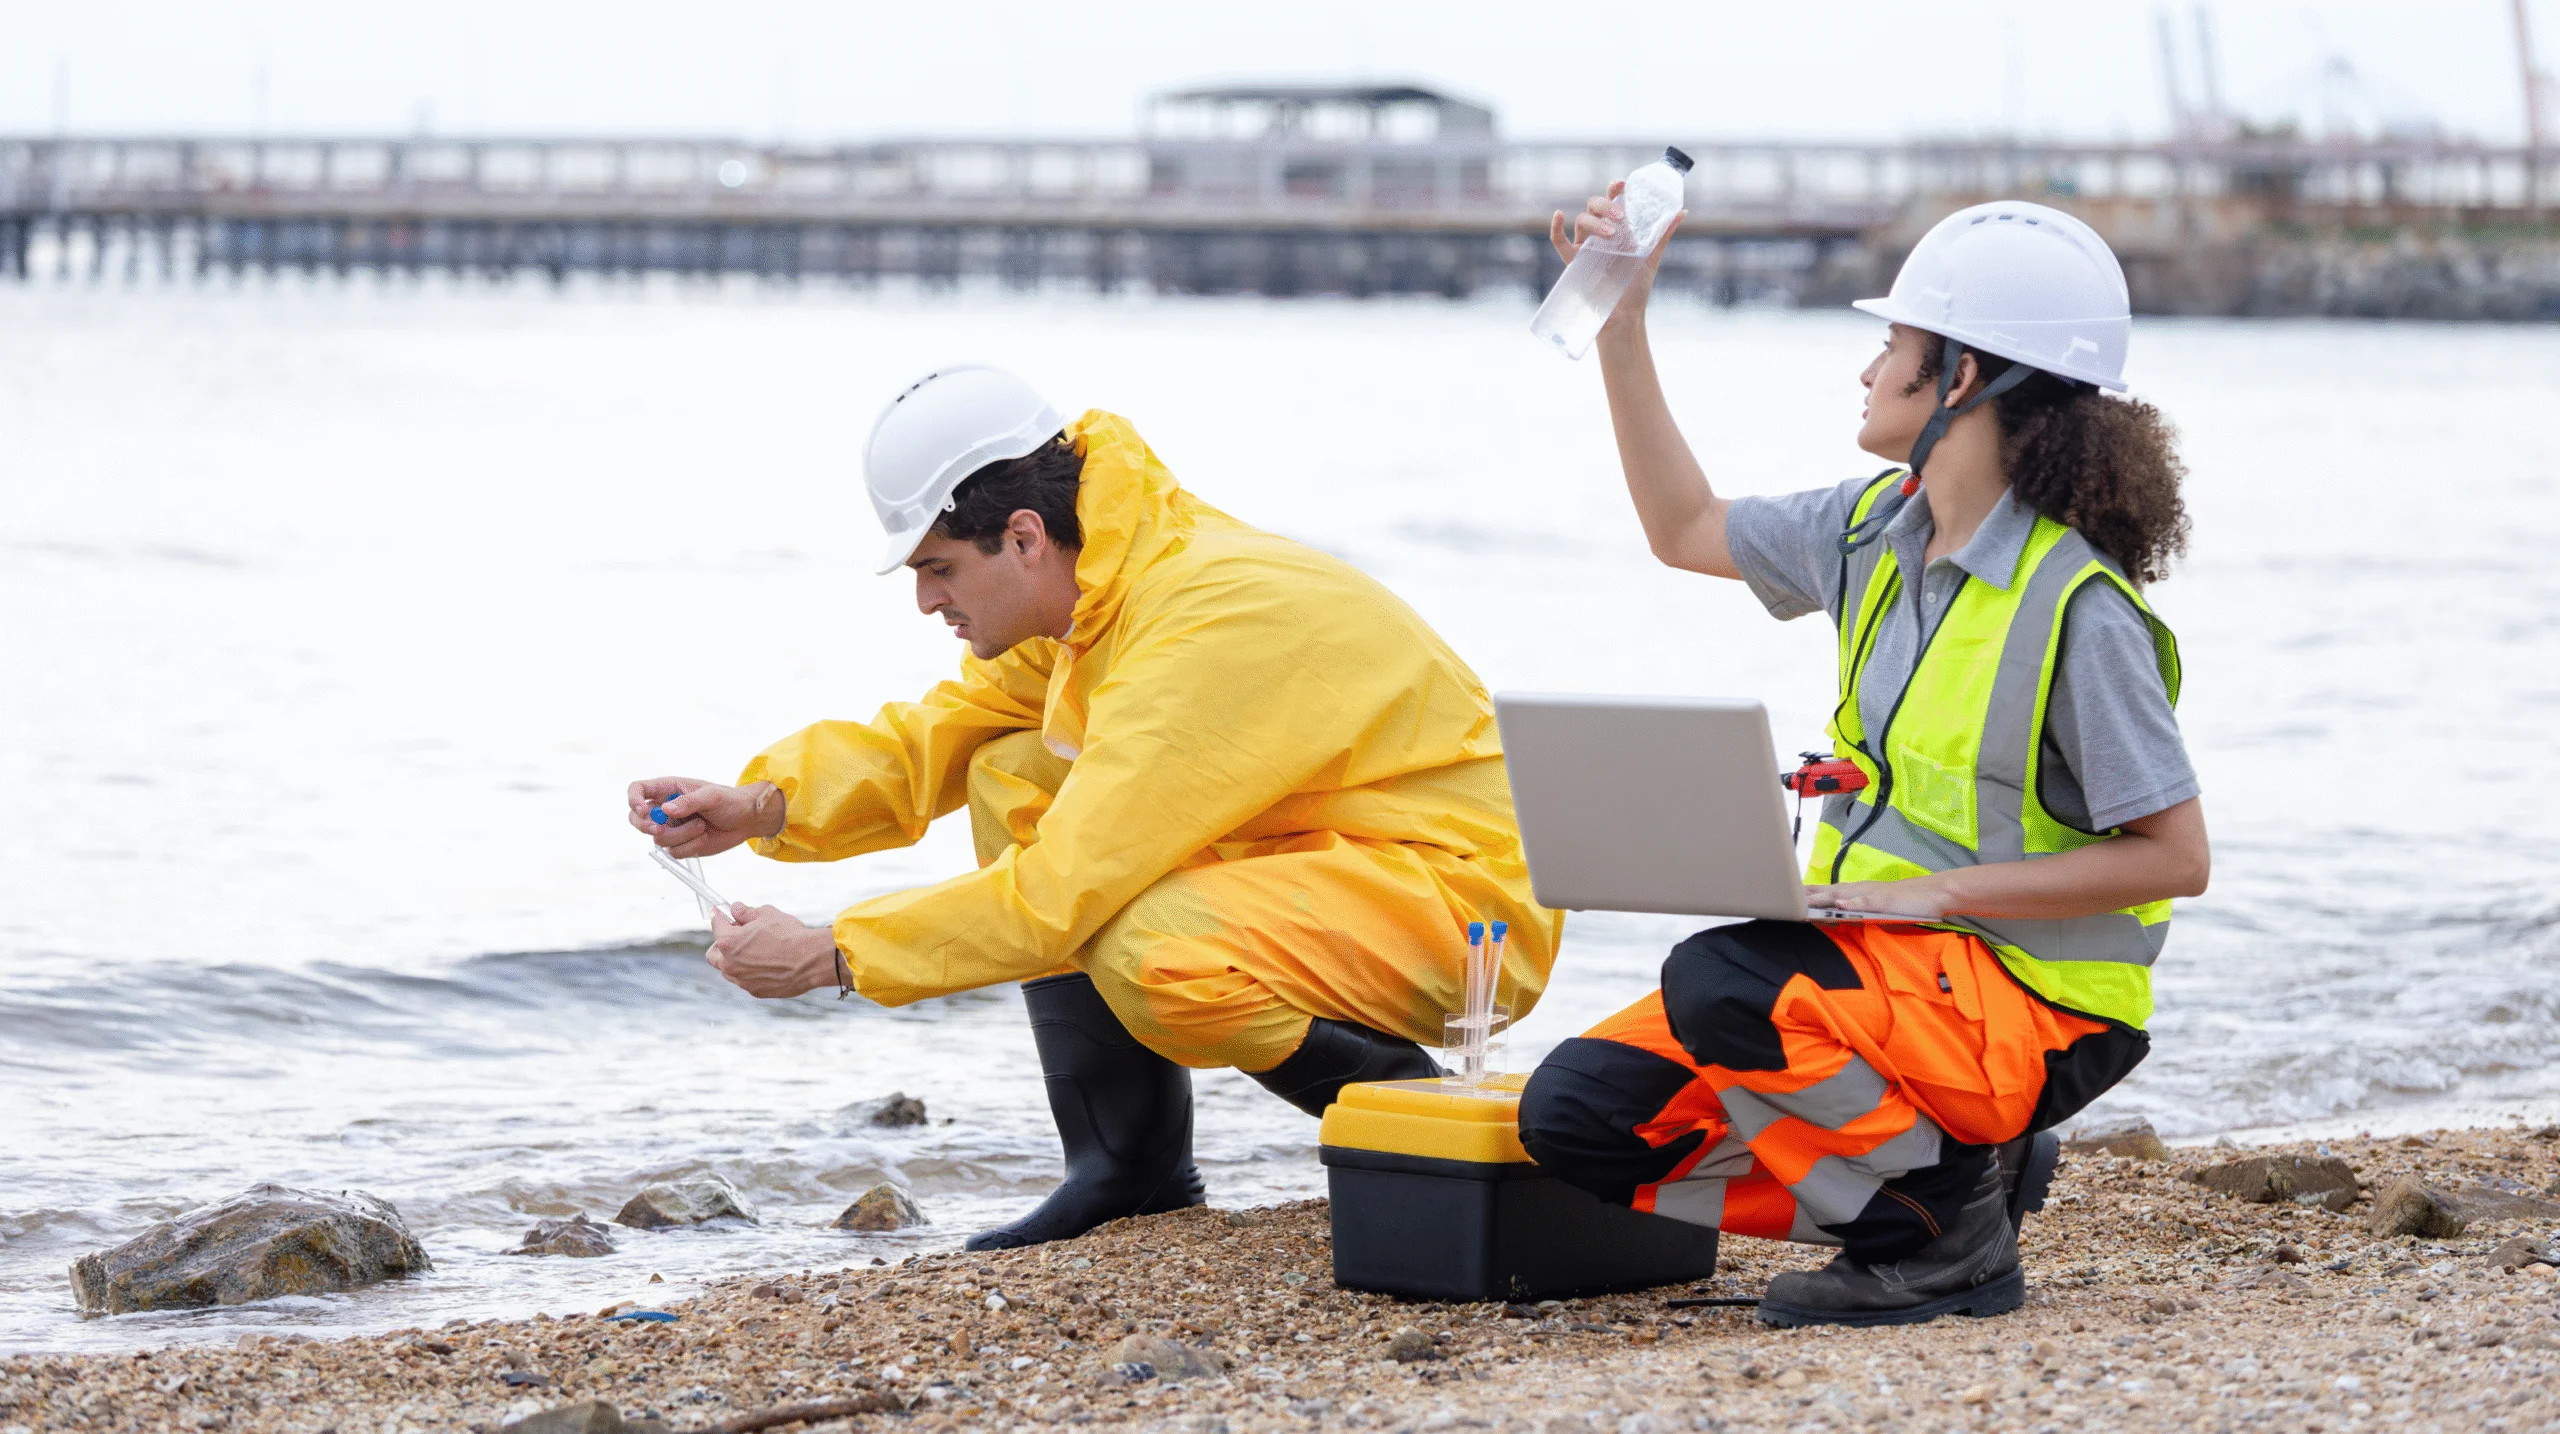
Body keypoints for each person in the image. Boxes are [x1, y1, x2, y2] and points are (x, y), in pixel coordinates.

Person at [629, 364, 1560, 1251]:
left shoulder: (1201, 623)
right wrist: (760, 805)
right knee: (1009, 768)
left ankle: (1432, 1124)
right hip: (1332, 856)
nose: (924, 599)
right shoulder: (1103, 585)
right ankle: (1129, 1170)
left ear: (1025, 536)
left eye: (938, 567)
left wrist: (835, 955)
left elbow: (1057, 892)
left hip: (1463, 907)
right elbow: (944, 732)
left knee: (1156, 950)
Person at [1514, 197, 2209, 1327]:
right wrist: (1620, 323)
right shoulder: (1868, 530)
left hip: (2041, 1005)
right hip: (1889, 970)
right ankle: (1940, 1180)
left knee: (1724, 980)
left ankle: (1939, 1239)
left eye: (1892, 345)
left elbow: (2175, 858)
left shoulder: (2077, 609)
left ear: (1960, 378)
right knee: (1583, 1117)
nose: (1867, 367)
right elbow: (1682, 525)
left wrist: (1932, 893)